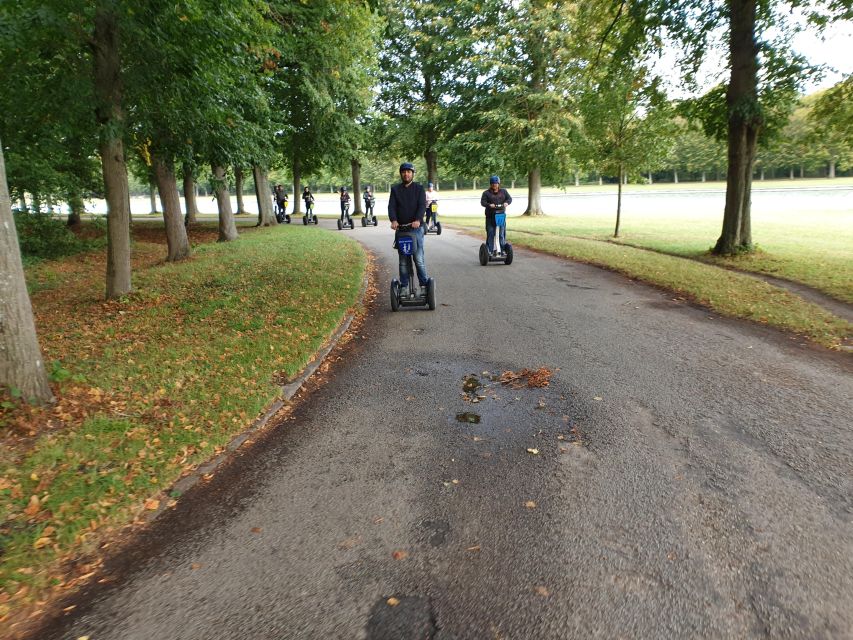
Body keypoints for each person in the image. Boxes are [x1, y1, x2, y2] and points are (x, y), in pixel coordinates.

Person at [389, 162, 430, 295]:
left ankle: (424, 285)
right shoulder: (395, 190)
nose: (406, 174)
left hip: (415, 229)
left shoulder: (419, 189)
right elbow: (392, 207)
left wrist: (418, 220)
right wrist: (394, 220)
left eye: (409, 172)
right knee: (403, 262)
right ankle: (404, 286)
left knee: (418, 260)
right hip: (401, 230)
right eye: (404, 172)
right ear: (401, 173)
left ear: (412, 174)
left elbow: (422, 206)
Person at [480, 175, 512, 256]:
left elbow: (509, 199)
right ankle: (489, 251)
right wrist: (489, 205)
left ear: (498, 183)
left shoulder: (503, 191)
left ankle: (502, 250)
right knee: (490, 233)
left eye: (496, 183)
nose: (494, 185)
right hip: (490, 217)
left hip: (501, 216)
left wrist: (506, 203)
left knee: (501, 234)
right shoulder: (486, 193)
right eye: (493, 183)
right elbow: (482, 202)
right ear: (490, 184)